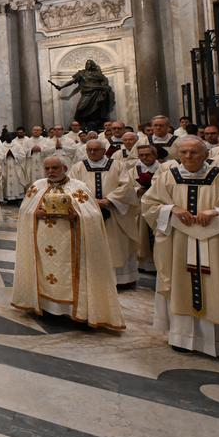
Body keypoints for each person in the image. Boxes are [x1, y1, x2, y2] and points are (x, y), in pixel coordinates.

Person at [11, 156, 124, 330]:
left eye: (55, 168)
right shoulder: (37, 186)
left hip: (71, 242)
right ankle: (46, 307)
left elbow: (93, 215)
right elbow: (25, 212)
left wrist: (75, 215)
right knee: (44, 272)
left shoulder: (79, 187)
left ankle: (76, 311)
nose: (51, 172)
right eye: (47, 168)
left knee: (68, 273)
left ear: (64, 167)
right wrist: (35, 213)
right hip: (42, 241)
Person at [140, 136, 219, 356]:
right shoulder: (169, 176)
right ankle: (182, 337)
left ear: (206, 154)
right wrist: (172, 208)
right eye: (183, 152)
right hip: (178, 242)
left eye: (194, 152)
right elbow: (149, 203)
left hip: (215, 243)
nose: (188, 157)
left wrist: (215, 212)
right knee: (179, 285)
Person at [69, 140, 140, 287]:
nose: (93, 153)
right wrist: (91, 202)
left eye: (96, 150)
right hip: (88, 213)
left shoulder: (118, 165)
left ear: (103, 150)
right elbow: (71, 187)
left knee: (118, 244)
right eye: (90, 150)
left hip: (115, 212)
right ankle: (95, 279)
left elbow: (126, 186)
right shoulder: (78, 167)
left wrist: (109, 200)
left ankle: (122, 279)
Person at [128, 144, 160, 273]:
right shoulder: (133, 171)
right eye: (141, 155)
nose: (144, 157)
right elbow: (127, 188)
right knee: (141, 236)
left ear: (155, 155)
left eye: (148, 154)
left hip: (157, 209)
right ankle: (144, 264)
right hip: (139, 208)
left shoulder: (164, 169)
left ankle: (158, 263)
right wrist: (138, 190)